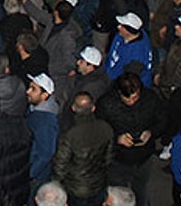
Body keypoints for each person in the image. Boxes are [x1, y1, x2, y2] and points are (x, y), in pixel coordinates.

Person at [96, 73, 165, 206]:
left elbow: (162, 120)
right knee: (117, 194)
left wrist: (151, 132)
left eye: (135, 98)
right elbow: (99, 130)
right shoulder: (106, 104)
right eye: (128, 100)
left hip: (144, 157)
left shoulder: (150, 99)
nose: (132, 102)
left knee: (141, 190)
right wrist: (117, 138)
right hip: (118, 159)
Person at [52, 92, 115, 206]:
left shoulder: (70, 135)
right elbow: (109, 157)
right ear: (93, 108)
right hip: (98, 183)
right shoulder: (105, 127)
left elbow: (60, 164)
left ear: (73, 108)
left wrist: (56, 183)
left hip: (75, 187)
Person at [26, 73, 60, 196]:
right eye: (30, 87)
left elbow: (46, 154)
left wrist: (30, 174)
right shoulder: (35, 108)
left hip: (36, 177)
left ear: (45, 95)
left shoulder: (46, 122)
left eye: (33, 89)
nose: (28, 91)